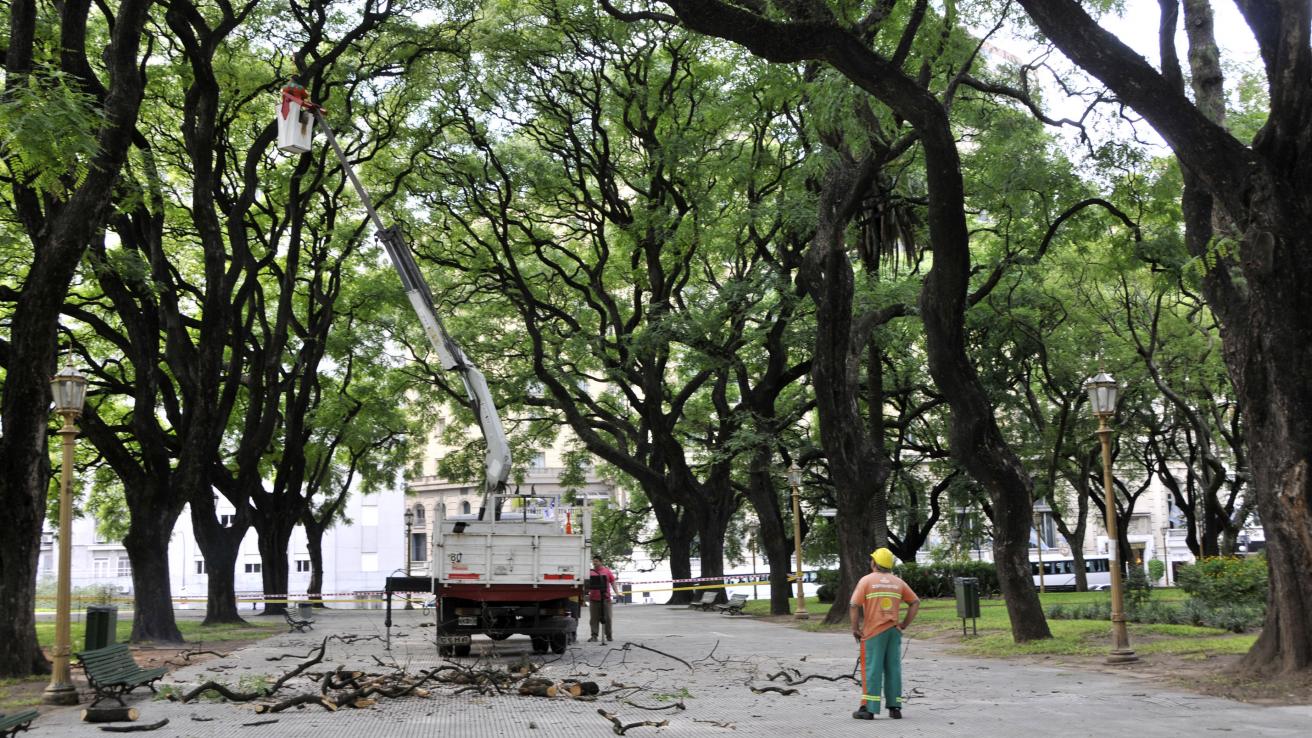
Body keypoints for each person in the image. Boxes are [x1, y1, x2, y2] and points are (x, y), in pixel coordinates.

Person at [849, 547, 920, 720]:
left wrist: (855, 629)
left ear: (874, 563)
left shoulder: (866, 581)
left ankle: (869, 708)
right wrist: (903, 624)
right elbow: (915, 602)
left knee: (872, 669)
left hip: (873, 633)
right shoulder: (898, 582)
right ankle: (895, 707)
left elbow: (853, 605)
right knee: (893, 669)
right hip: (893, 632)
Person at [586, 555, 622, 643]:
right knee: (594, 619)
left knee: (608, 618)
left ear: (601, 562)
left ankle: (609, 635)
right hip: (594, 600)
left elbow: (613, 582)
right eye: (593, 561)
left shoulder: (607, 571)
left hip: (606, 599)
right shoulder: (590, 572)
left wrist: (617, 592)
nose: (594, 563)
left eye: (596, 561)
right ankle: (594, 636)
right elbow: (586, 585)